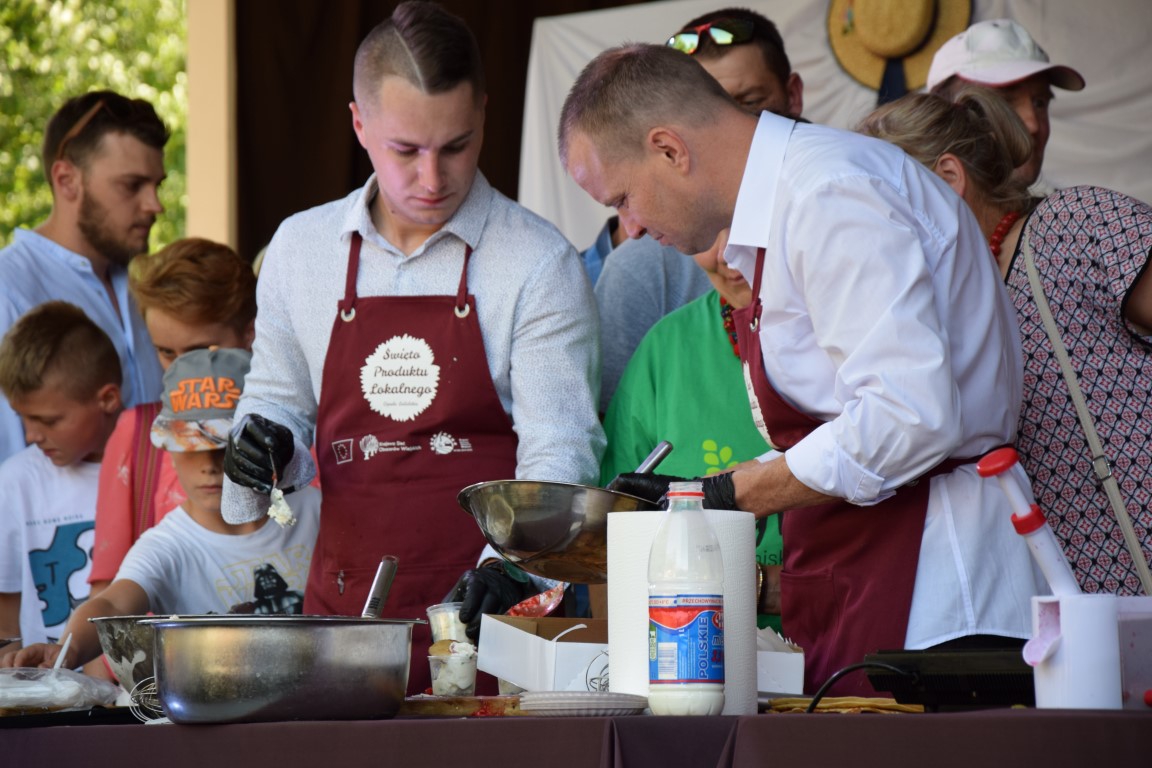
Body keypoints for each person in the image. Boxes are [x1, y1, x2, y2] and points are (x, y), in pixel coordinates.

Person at [559, 44, 1044, 697]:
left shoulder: (830, 195)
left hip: (937, 592)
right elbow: (844, 414)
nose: (634, 228)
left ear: (669, 149)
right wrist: (704, 489)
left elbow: (909, 417)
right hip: (870, 569)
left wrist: (735, 494)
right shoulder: (793, 201)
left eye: (624, 197)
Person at [220, 1, 603, 694]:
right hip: (342, 625)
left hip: (498, 624)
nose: (432, 179)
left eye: (456, 145)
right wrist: (259, 447)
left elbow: (560, 450)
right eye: (406, 151)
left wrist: (508, 570)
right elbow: (277, 403)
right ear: (358, 124)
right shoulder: (300, 250)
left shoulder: (537, 261)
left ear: (484, 114)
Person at [858, 87, 1152, 595]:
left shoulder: (1076, 223)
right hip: (1075, 611)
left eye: (882, 205)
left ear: (948, 180)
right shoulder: (928, 314)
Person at [2, 348, 321, 673]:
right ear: (168, 449)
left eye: (226, 445)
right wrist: (67, 650)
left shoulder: (316, 512)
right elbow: (113, 603)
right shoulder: (168, 546)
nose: (209, 465)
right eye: (189, 445)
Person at [594, 8, 803, 412]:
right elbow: (616, 432)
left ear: (792, 95)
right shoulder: (640, 269)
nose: (729, 130)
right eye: (701, 114)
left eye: (750, 103)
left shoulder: (841, 199)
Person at [0, 90, 168, 464]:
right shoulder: (8, 289)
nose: (155, 205)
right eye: (132, 185)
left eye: (157, 185)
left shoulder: (145, 287)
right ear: (66, 180)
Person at [88, 238, 257, 594]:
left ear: (250, 334)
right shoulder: (138, 432)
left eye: (200, 351)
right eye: (166, 352)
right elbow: (107, 585)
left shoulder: (296, 429)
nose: (182, 368)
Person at [0, 302, 123, 650]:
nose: (31, 435)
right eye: (23, 417)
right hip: (49, 684)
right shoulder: (15, 482)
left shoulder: (155, 466)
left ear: (108, 399)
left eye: (49, 421)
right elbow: (6, 618)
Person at [927, 18, 1085, 190]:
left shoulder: (1067, 206)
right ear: (941, 116)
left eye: (1039, 103)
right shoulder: (908, 205)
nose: (1032, 125)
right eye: (1004, 103)